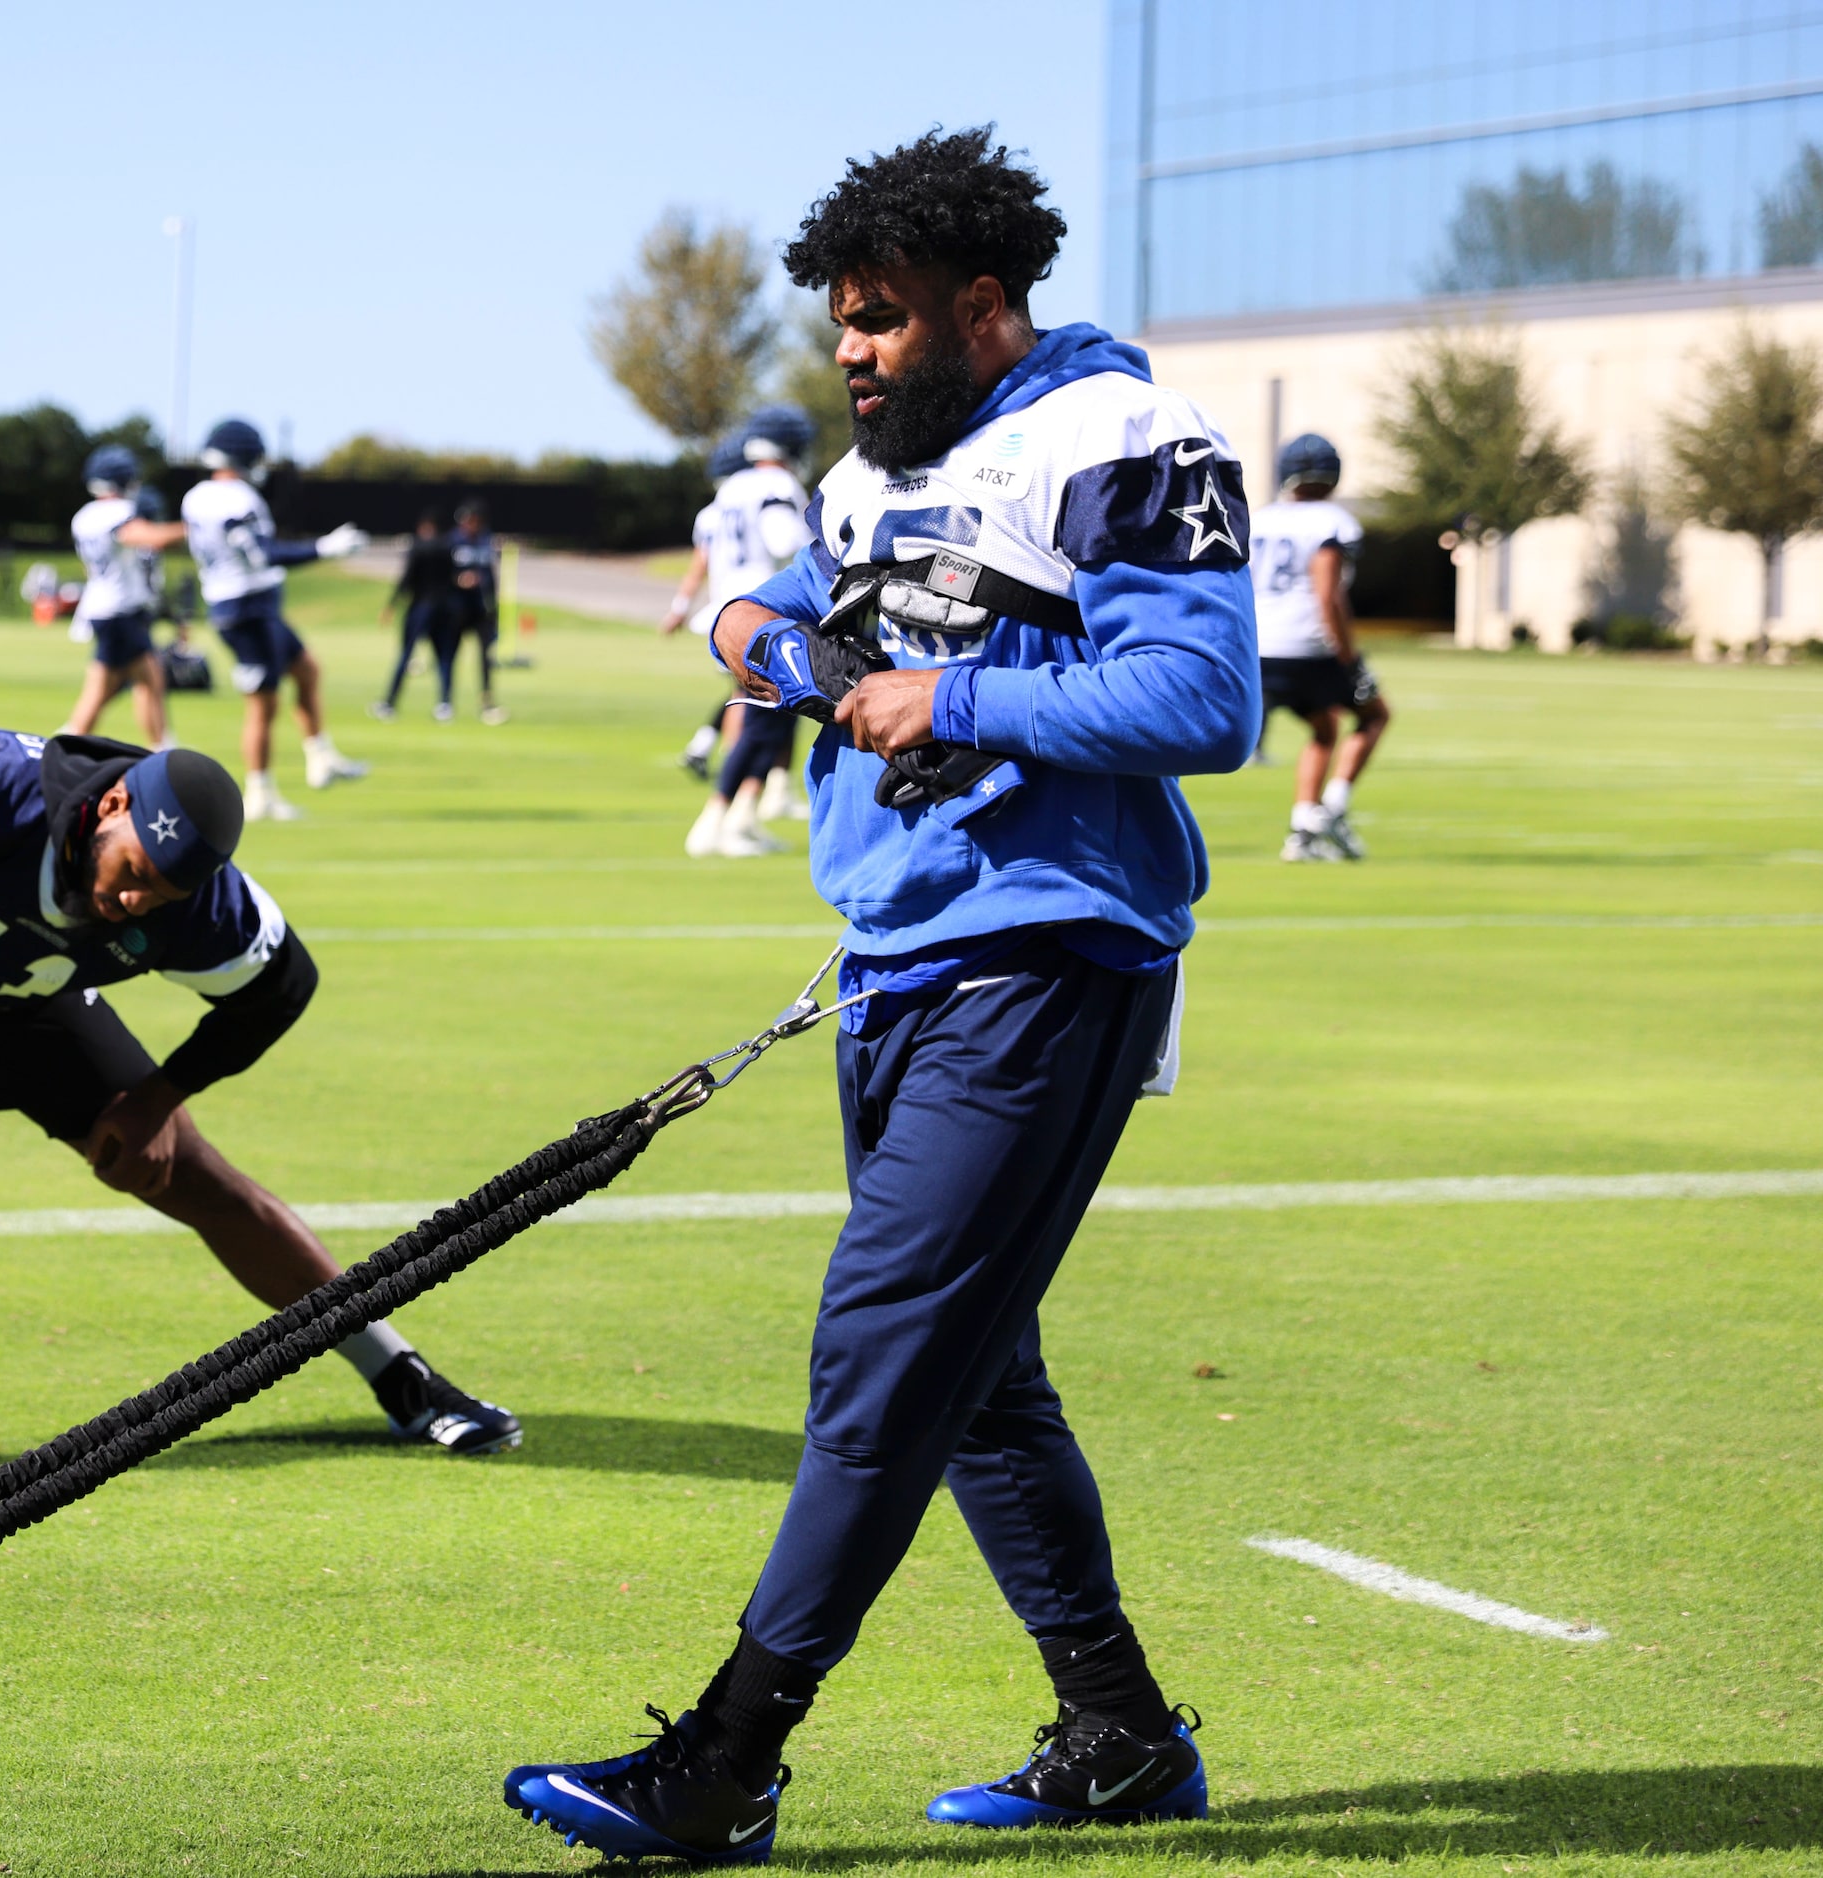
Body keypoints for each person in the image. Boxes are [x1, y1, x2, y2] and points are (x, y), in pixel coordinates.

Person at [502, 127, 1259, 1862]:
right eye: (840, 323)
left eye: (881, 320)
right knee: (976, 1378)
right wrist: (786, 652)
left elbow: (1205, 701)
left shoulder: (1122, 435)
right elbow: (761, 617)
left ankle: (724, 1760)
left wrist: (961, 707)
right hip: (893, 960)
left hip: (1049, 955)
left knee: (886, 1348)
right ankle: (1122, 1733)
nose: (849, 351)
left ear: (983, 307)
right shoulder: (870, 471)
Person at [0, 723, 523, 1483]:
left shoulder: (198, 902)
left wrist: (155, 1098)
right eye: (133, 874)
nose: (138, 904)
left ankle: (402, 1376)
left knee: (191, 1174)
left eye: (163, 896)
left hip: (22, 991)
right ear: (110, 806)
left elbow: (280, 991)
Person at [178, 418, 370, 820]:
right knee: (263, 705)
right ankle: (259, 793)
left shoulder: (196, 497)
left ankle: (320, 754)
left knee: (307, 670)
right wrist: (325, 549)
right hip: (247, 608)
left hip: (241, 604)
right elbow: (262, 553)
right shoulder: (238, 499)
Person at [679, 406, 818, 857]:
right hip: (765, 614)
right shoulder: (777, 485)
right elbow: (785, 542)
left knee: (773, 716)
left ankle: (744, 812)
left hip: (729, 614)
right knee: (762, 719)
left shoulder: (733, 486)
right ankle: (717, 819)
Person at [1252, 433, 1387, 862]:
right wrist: (1350, 658)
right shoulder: (1333, 521)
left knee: (1324, 728)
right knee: (1375, 715)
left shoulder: (1260, 518)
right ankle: (1333, 807)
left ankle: (1302, 829)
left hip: (1259, 644)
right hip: (1308, 644)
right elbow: (1327, 593)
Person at [64, 446, 191, 746]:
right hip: (119, 610)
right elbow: (146, 537)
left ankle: (159, 746)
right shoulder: (117, 512)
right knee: (109, 687)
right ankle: (66, 747)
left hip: (107, 607)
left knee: (142, 680)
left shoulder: (84, 516)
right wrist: (192, 528)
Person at [665, 436, 754, 784]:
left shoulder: (709, 514)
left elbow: (697, 567)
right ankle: (732, 772)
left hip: (722, 612)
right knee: (747, 694)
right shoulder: (754, 501)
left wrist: (679, 608)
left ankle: (703, 749)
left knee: (743, 690)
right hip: (752, 610)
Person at [373, 511, 465, 721]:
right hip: (445, 610)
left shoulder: (418, 547)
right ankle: (445, 704)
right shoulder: (448, 548)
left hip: (421, 608)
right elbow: (455, 578)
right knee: (443, 658)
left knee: (405, 656)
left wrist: (391, 605)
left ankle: (389, 703)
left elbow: (406, 579)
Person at [449, 500, 507, 724]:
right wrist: (458, 581)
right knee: (451, 656)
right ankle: (446, 701)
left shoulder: (486, 541)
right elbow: (443, 574)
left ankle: (487, 702)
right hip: (458, 608)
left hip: (481, 609)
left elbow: (491, 576)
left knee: (485, 657)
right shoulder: (452, 541)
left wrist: (495, 607)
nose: (471, 524)